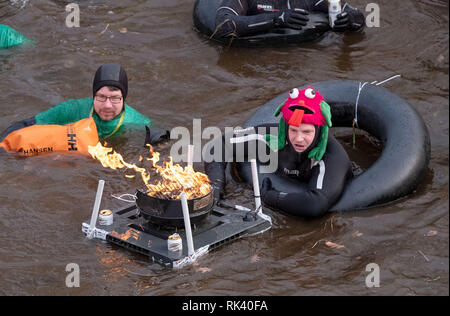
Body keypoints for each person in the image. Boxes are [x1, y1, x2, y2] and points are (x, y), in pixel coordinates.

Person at [204, 86, 352, 217]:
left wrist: (271, 196)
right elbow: (219, 146)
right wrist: (215, 187)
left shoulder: (331, 157)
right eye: (293, 130)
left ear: (319, 130)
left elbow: (315, 204)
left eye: (306, 132)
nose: (299, 139)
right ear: (286, 128)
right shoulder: (274, 137)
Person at [0, 63, 168, 145]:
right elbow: (25, 125)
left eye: (115, 98)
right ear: (93, 96)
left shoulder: (137, 123)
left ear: (124, 98)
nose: (107, 105)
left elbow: (164, 141)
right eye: (101, 97)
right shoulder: (73, 109)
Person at [213, 0, 365, 38]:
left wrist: (347, 20)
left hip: (301, 64)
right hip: (255, 63)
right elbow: (223, 24)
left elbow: (358, 18)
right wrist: (277, 19)